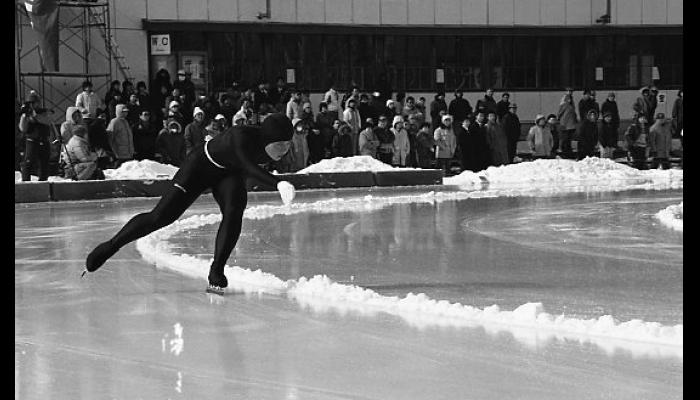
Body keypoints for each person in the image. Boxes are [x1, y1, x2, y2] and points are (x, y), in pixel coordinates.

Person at [84, 113, 296, 293]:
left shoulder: (271, 146)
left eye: (288, 144)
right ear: (267, 139)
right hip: (199, 167)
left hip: (229, 173)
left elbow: (243, 167)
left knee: (234, 211)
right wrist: (278, 184)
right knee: (161, 217)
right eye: (279, 145)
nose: (284, 150)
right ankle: (110, 246)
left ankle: (217, 270)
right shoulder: (240, 136)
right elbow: (248, 165)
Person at [18, 91, 53, 181]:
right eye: (31, 103)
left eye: (34, 102)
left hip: (43, 140)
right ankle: (26, 184)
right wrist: (24, 117)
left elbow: (48, 121)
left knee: (44, 164)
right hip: (32, 140)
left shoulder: (43, 112)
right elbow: (23, 129)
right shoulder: (27, 114)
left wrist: (35, 116)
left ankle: (43, 183)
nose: (33, 105)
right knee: (28, 163)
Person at [557, 94, 578, 158]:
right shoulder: (564, 105)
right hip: (565, 125)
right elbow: (559, 114)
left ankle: (568, 152)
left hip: (570, 125)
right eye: (568, 98)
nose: (569, 100)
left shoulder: (571, 106)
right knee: (565, 140)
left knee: (568, 140)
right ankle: (565, 153)